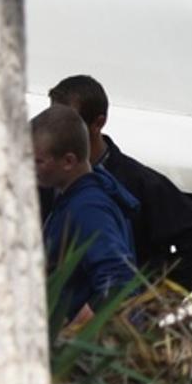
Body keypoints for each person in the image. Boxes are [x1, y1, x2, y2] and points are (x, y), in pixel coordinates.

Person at [46, 75, 192, 290]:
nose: (55, 134)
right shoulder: (42, 175)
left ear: (98, 123)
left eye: (68, 124)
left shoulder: (140, 183)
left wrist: (154, 300)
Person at [33, 104, 140, 325]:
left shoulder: (88, 209)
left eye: (38, 161)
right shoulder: (74, 195)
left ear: (68, 161)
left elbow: (118, 285)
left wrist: (70, 336)